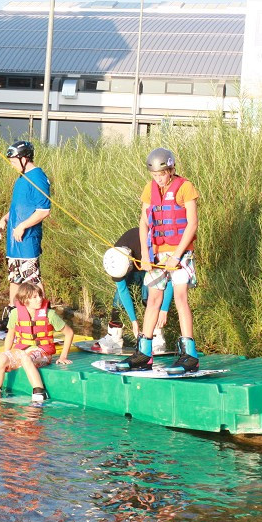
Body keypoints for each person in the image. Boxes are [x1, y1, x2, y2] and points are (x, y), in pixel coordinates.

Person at [118, 148, 200, 374]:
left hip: (180, 253)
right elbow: (144, 222)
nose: (159, 179)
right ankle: (144, 352)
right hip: (156, 253)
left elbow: (192, 224)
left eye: (162, 174)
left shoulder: (185, 187)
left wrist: (177, 255)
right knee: (153, 299)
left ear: (171, 169)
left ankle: (189, 355)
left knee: (181, 298)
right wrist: (145, 253)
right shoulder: (149, 189)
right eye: (155, 175)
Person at [0, 282, 74, 403]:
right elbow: (10, 336)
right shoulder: (15, 313)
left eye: (40, 295)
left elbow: (69, 333)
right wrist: (7, 356)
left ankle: (39, 393)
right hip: (22, 350)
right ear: (25, 300)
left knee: (25, 358)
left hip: (42, 352)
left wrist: (63, 356)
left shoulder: (50, 314)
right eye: (34, 297)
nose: (39, 299)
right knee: (1, 358)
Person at [0, 140, 51, 331]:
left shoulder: (37, 177)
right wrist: (5, 219)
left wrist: (23, 226)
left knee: (32, 279)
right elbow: (20, 206)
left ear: (24, 159)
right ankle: (12, 316)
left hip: (27, 239)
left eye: (13, 160)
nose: (11, 164)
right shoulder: (21, 178)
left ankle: (42, 317)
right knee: (14, 279)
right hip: (14, 240)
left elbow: (44, 210)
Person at [99, 227, 174, 354]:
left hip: (149, 259)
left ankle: (156, 334)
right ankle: (114, 335)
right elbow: (122, 291)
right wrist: (134, 321)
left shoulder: (149, 246)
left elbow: (170, 280)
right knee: (118, 298)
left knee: (150, 292)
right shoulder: (114, 259)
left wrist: (164, 309)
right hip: (135, 263)